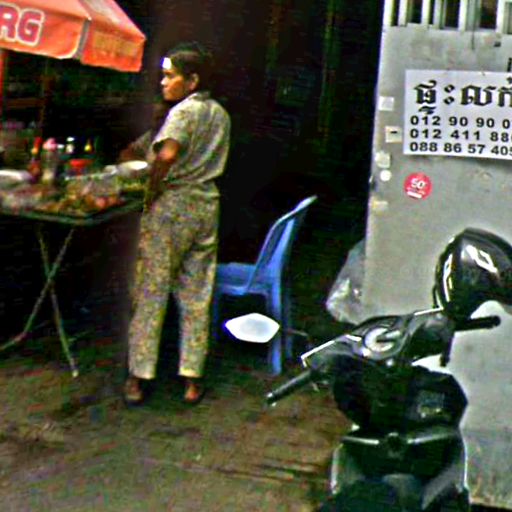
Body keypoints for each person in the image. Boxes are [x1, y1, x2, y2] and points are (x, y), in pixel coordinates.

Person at [123, 42, 231, 405]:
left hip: (173, 205)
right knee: (196, 293)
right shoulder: (220, 114)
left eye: (170, 76)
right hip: (206, 205)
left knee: (150, 291)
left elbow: (167, 154)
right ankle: (191, 379)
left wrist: (151, 192)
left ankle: (139, 376)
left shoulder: (184, 112)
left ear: (192, 81)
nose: (163, 83)